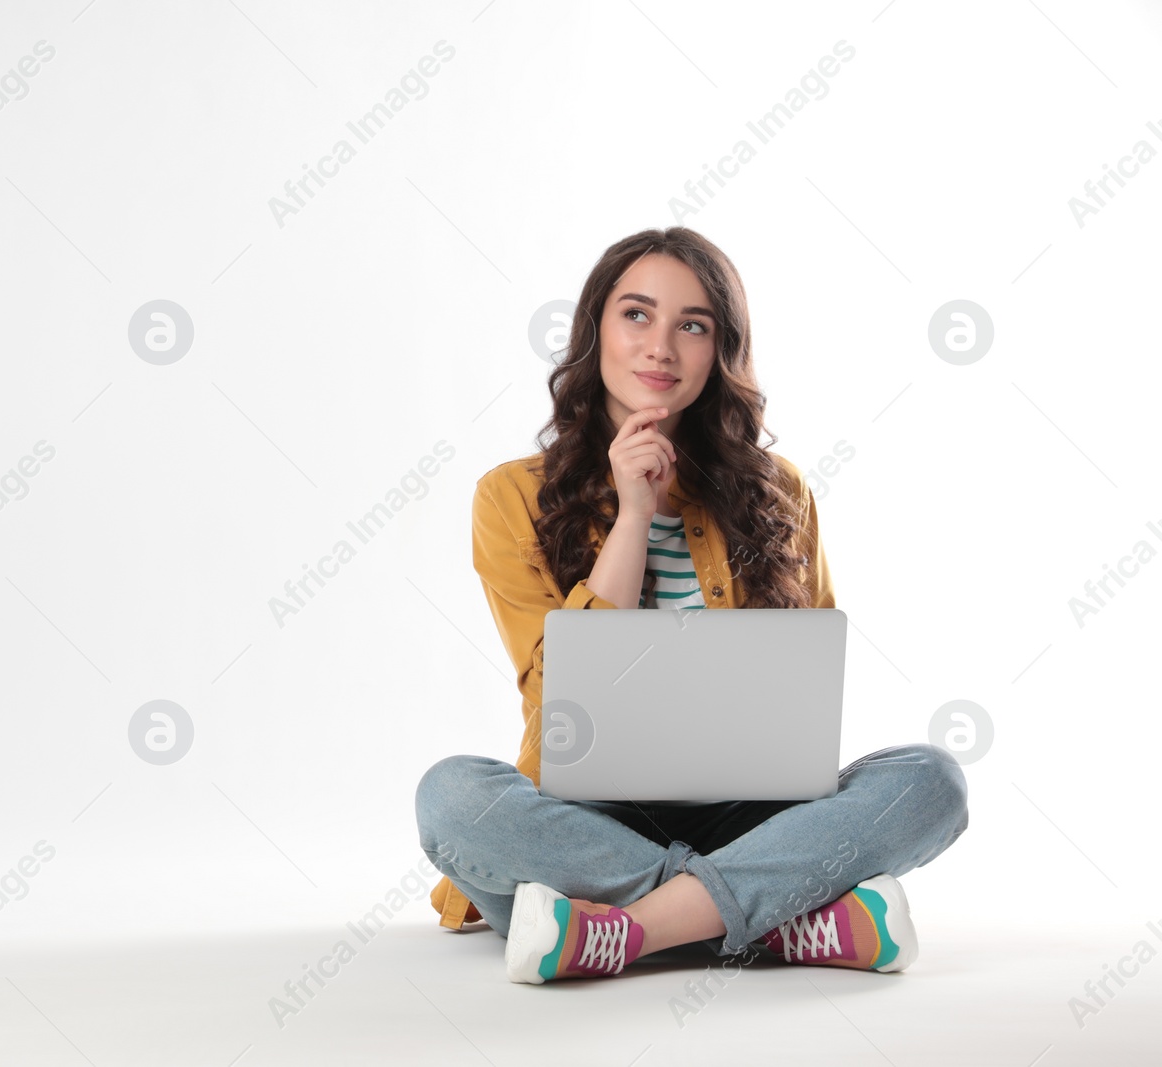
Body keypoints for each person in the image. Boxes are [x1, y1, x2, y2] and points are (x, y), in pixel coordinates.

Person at [415, 227, 969, 984]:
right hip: (591, 814)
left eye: (693, 325)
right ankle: (778, 919)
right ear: (595, 331)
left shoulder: (783, 492)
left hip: (752, 811)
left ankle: (620, 930)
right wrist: (634, 516)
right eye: (636, 315)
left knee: (931, 778)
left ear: (721, 350)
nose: (661, 348)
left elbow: (809, 687)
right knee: (452, 796)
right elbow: (556, 695)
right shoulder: (508, 495)